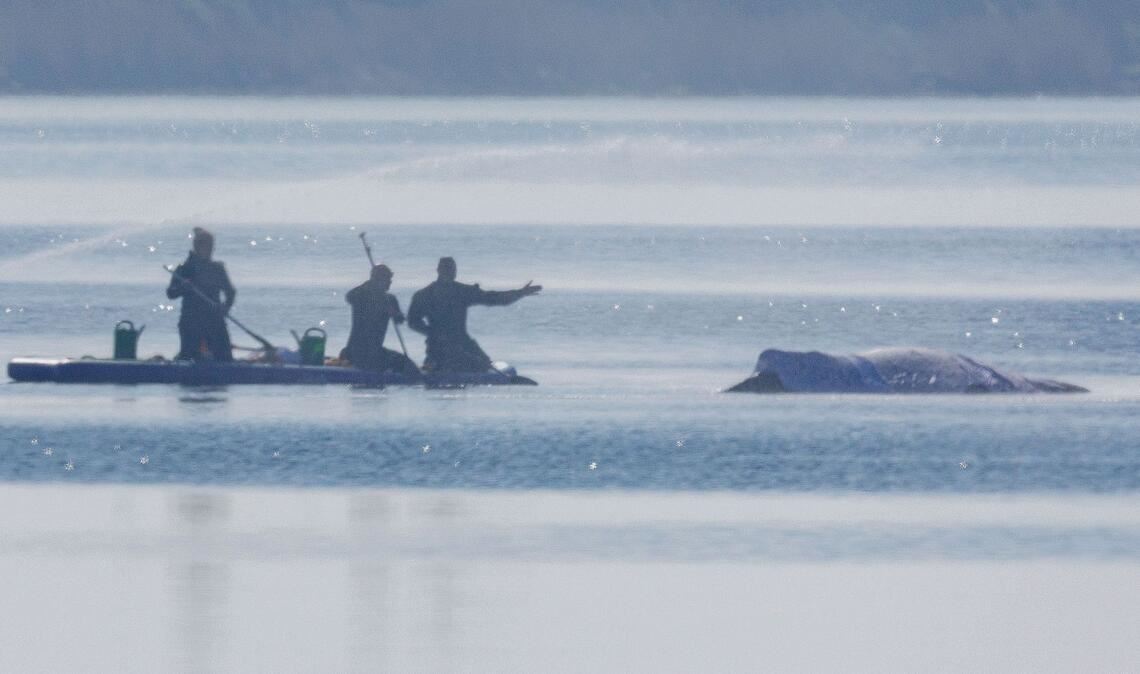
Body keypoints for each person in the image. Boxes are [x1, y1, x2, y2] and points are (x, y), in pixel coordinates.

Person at [407, 256, 541, 373]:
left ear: (455, 272)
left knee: (484, 364)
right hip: (437, 346)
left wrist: (519, 293)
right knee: (478, 364)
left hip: (464, 343)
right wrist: (433, 333)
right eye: (447, 269)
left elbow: (492, 298)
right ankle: (434, 363)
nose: (450, 272)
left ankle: (439, 364)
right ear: (438, 271)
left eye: (452, 270)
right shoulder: (424, 295)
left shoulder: (462, 291)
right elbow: (413, 321)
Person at [166, 227, 236, 362]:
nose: (209, 249)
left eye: (211, 246)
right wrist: (183, 287)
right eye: (206, 246)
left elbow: (230, 292)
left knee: (225, 359)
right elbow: (171, 293)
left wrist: (225, 307)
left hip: (214, 320)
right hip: (191, 321)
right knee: (188, 357)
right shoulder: (186, 268)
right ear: (197, 247)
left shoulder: (217, 269)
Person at [340, 264, 420, 376]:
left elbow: (400, 320)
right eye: (387, 279)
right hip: (356, 350)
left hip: (375, 351)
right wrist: (371, 285)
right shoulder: (362, 294)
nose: (390, 282)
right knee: (407, 367)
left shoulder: (390, 299)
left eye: (390, 279)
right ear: (378, 279)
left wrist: (395, 313)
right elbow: (349, 296)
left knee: (407, 365)